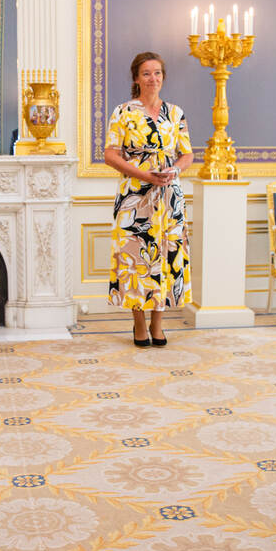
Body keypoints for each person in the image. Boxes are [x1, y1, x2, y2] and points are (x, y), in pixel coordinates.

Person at [104, 52, 194, 346]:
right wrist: (144, 175)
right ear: (136, 78)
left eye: (157, 73)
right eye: (146, 73)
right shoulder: (123, 112)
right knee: (135, 258)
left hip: (169, 197)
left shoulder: (176, 113)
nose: (153, 78)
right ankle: (139, 324)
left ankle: (158, 324)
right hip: (135, 197)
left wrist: (173, 170)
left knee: (165, 258)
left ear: (163, 77)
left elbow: (187, 154)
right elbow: (110, 155)